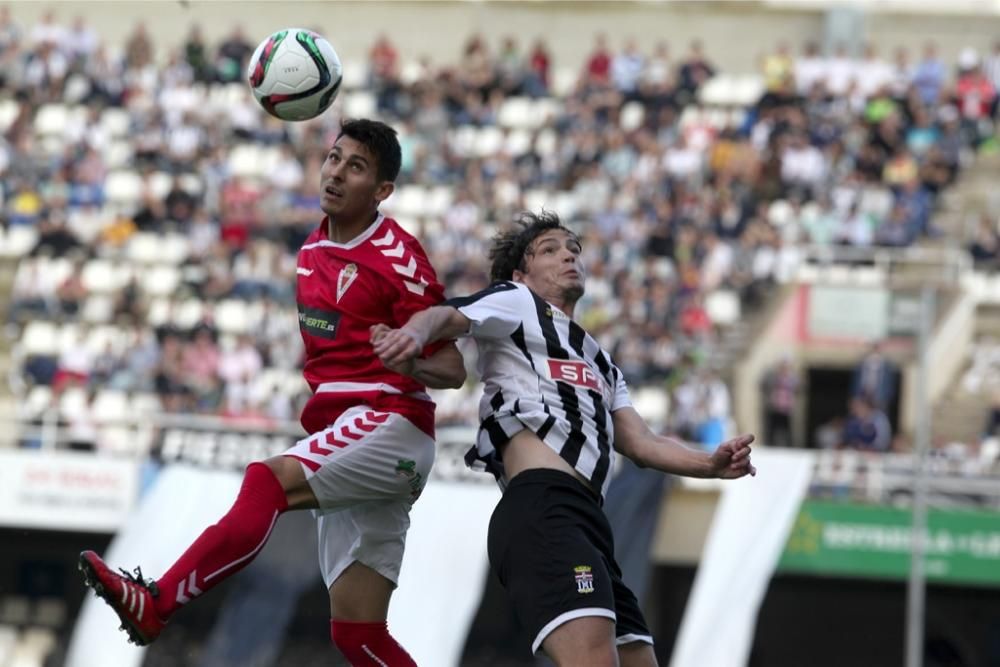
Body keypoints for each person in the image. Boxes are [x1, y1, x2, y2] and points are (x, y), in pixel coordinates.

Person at [78, 119, 466, 666]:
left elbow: (451, 367)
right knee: (358, 634)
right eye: (334, 157)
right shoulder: (311, 247)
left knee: (266, 481)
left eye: (356, 167)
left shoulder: (399, 257)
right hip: (357, 438)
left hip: (391, 421)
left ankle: (157, 602)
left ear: (382, 192)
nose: (336, 171)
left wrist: (408, 353)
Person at [372, 211, 755, 666]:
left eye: (572, 248)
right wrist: (413, 335)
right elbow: (446, 316)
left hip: (591, 525)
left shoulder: (602, 362)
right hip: (543, 509)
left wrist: (708, 465)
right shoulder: (516, 301)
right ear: (521, 274)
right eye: (550, 250)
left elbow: (640, 443)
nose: (568, 255)